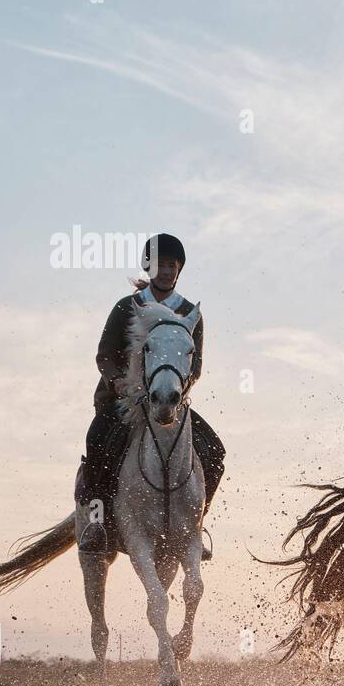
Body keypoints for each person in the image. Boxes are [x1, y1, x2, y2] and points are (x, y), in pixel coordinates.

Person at [75, 233, 226, 557]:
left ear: (179, 269)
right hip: (122, 398)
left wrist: (177, 391)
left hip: (169, 401)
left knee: (214, 451)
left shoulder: (189, 312)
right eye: (161, 264)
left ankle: (197, 525)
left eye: (172, 265)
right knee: (98, 439)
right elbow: (105, 355)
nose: (167, 270)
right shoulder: (126, 307)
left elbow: (194, 364)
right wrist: (120, 384)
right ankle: (97, 524)